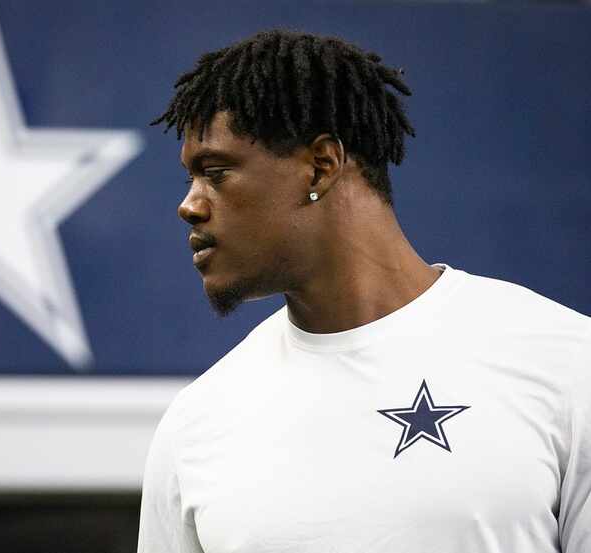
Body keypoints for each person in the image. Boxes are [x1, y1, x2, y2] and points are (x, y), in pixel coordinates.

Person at [137, 29, 590, 553]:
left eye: (215, 172)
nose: (189, 205)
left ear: (322, 165)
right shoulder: (196, 426)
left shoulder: (562, 363)